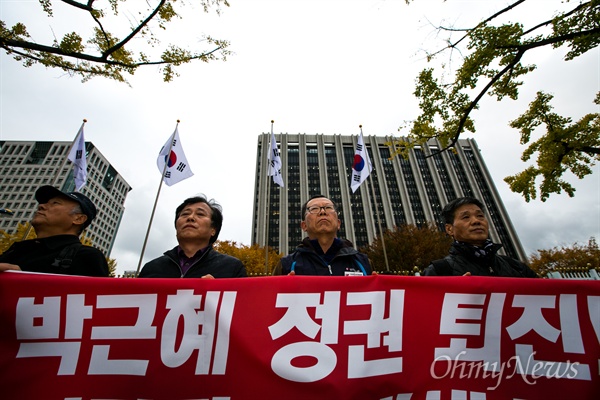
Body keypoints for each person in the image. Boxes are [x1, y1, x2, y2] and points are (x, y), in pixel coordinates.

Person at [0, 185, 109, 276]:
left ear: (79, 219)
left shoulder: (86, 256)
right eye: (45, 203)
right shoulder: (17, 249)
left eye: (55, 203)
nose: (41, 206)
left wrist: (20, 280)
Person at [423, 196, 538, 277]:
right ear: (449, 229)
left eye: (480, 216)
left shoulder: (517, 267)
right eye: (466, 217)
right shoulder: (439, 271)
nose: (476, 221)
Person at [139, 195, 246, 278]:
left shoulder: (231, 268)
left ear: (213, 230)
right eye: (185, 214)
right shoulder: (151, 268)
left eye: (200, 214)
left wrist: (216, 292)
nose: (190, 218)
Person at [273, 194, 372, 276]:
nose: (323, 212)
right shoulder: (287, 265)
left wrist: (375, 284)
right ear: (304, 226)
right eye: (314, 209)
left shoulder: (362, 262)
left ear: (338, 224)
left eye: (328, 208)